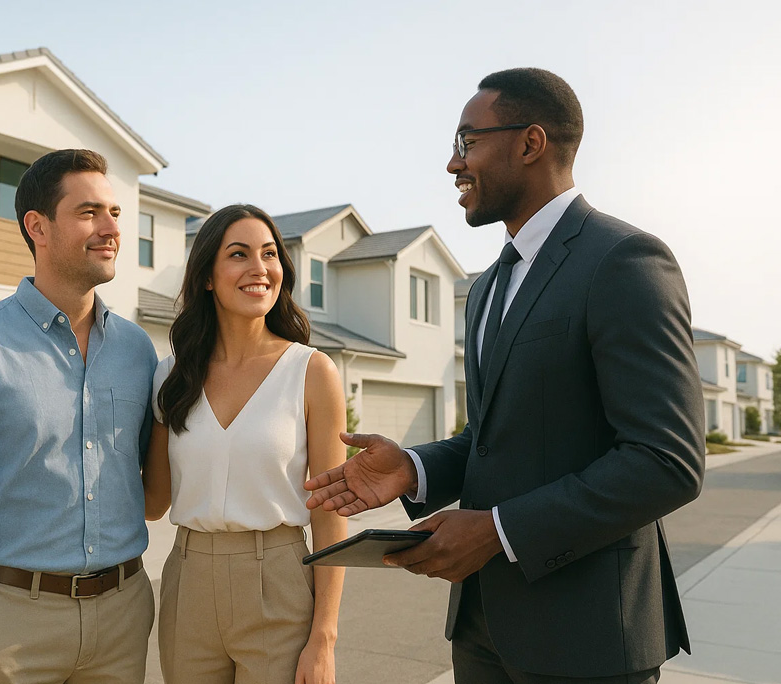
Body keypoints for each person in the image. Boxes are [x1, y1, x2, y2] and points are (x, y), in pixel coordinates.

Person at [305, 68, 705, 683]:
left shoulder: (624, 260)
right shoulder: (490, 283)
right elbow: (495, 437)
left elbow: (665, 461)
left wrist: (497, 530)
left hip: (587, 637)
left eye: (467, 141)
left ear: (530, 143)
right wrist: (414, 468)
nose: (451, 164)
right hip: (482, 632)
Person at [0, 149, 158, 684]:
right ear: (37, 227)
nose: (111, 227)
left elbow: (148, 478)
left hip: (123, 616)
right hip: (11, 628)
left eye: (115, 213)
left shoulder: (138, 351)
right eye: (90, 212)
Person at [142, 204, 347, 684]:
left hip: (278, 579)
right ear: (208, 276)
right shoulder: (170, 377)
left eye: (270, 254)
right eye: (239, 254)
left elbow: (329, 511)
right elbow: (153, 503)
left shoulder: (312, 371)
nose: (260, 269)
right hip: (187, 581)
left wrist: (325, 636)